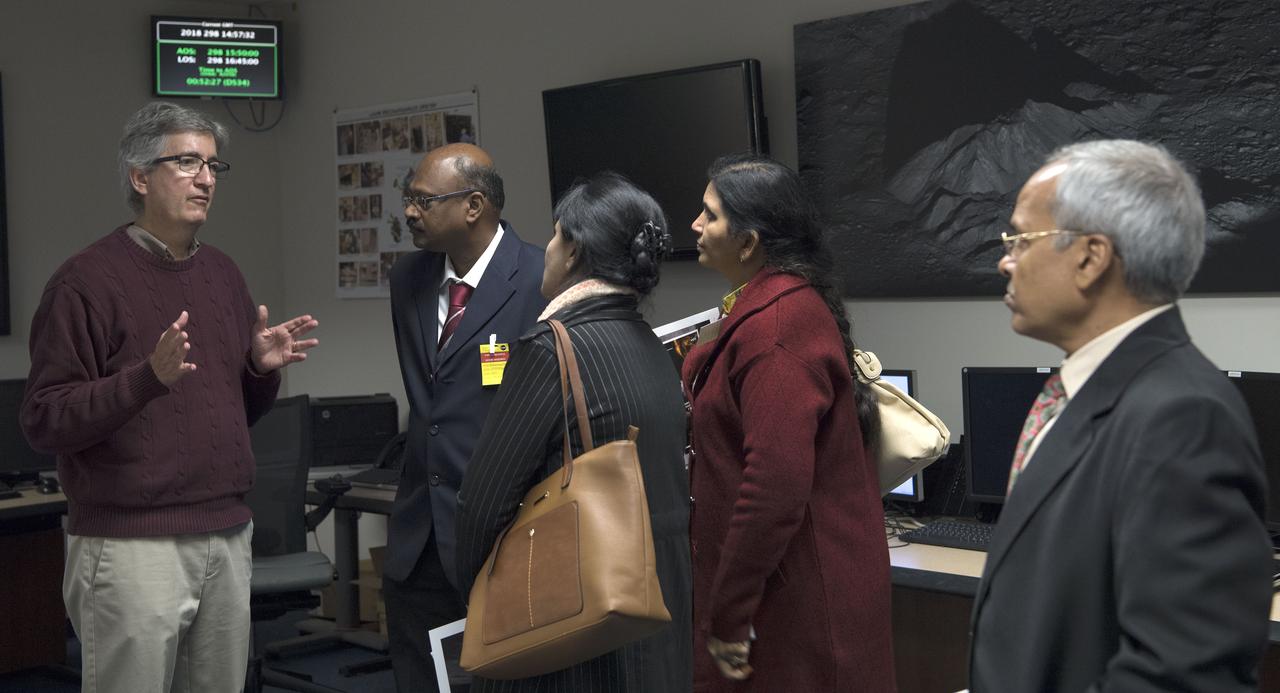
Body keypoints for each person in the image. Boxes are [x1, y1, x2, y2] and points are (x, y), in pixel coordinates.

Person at [20, 101, 319, 693]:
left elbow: (229, 413)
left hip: (227, 536)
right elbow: (44, 419)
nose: (206, 178)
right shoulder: (83, 282)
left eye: (212, 165)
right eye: (186, 162)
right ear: (139, 177)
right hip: (130, 547)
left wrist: (259, 372)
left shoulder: (224, 275)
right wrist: (143, 379)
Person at [969, 140, 1272, 692]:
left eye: (1019, 239)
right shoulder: (1083, 392)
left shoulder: (1182, 416)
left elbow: (1182, 676)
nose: (1005, 260)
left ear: (1090, 257)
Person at [455, 171, 692, 691]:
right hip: (652, 618)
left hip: (570, 634)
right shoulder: (654, 348)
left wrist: (476, 595)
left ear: (574, 251)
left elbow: (482, 505)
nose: (547, 249)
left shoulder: (549, 351)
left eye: (555, 235)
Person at [680, 154, 896, 692]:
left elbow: (773, 484)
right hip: (781, 594)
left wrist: (729, 615)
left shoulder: (777, 327)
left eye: (709, 215)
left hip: (793, 606)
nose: (695, 226)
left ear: (749, 243)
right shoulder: (770, 308)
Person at [385, 142, 547, 691]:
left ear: (474, 206)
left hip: (502, 532)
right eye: (408, 199)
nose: (409, 211)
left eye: (423, 200)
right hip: (419, 539)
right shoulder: (407, 278)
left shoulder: (540, 276)